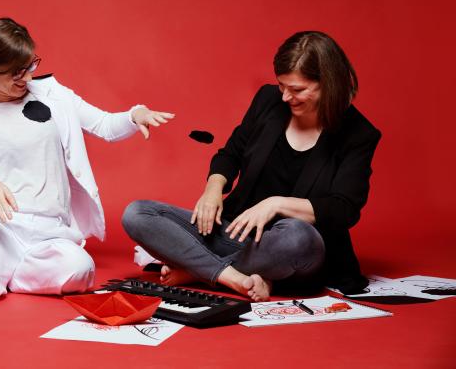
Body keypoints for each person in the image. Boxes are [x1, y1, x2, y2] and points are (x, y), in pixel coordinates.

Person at [0, 18, 174, 302]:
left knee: (79, 272)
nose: (25, 78)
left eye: (29, 66)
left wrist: (135, 115)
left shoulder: (53, 94)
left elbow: (103, 124)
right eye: (14, 73)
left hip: (48, 229)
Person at [122, 31, 381, 301]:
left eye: (298, 90)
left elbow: (343, 209)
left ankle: (199, 271)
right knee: (137, 213)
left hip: (292, 248)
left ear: (329, 84)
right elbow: (231, 153)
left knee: (298, 236)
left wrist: (275, 204)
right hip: (237, 233)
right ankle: (232, 276)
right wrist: (213, 188)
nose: (285, 97)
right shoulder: (268, 101)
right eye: (282, 86)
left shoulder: (358, 134)